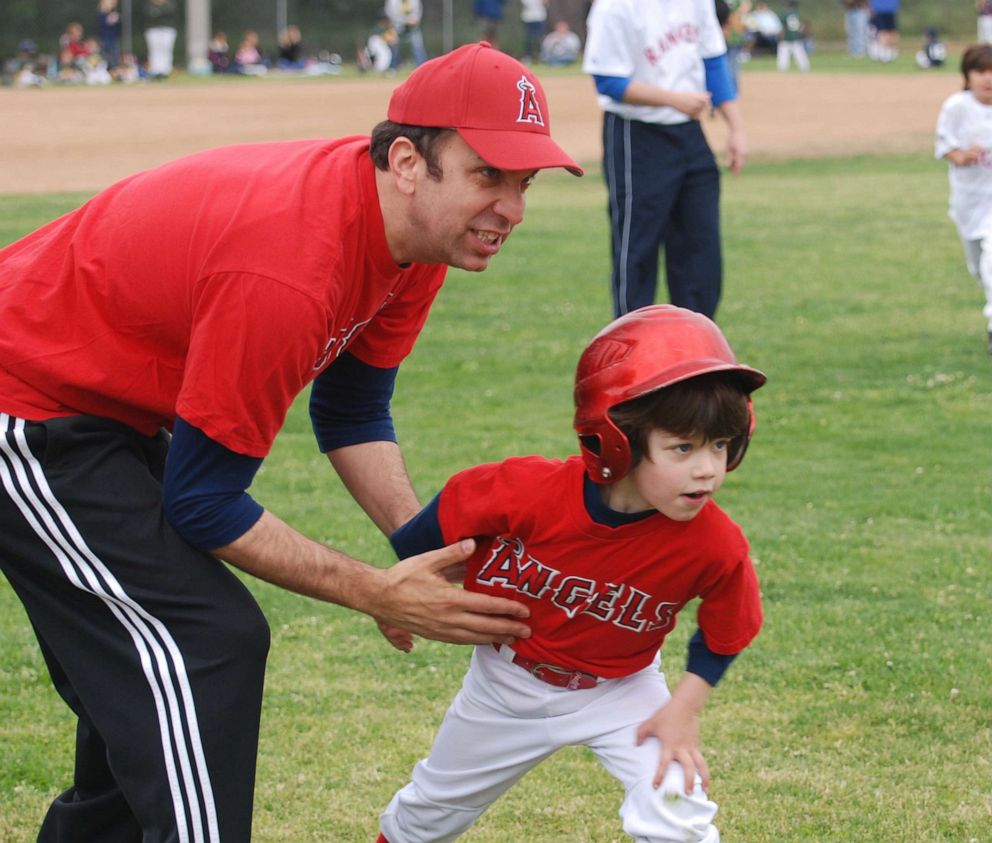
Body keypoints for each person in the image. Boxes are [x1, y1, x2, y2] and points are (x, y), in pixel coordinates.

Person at [0, 42, 581, 843]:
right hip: (24, 406)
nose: (512, 207)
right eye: (489, 176)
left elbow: (351, 409)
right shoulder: (289, 268)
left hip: (105, 410)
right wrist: (374, 589)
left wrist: (430, 549)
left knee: (145, 668)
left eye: (526, 183)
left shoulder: (413, 242)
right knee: (203, 644)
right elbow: (203, 501)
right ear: (409, 161)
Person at [374, 305, 766, 843]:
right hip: (505, 684)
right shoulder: (528, 490)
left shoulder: (714, 544)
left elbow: (727, 631)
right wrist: (397, 593)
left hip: (621, 690)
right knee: (429, 812)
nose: (708, 468)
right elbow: (442, 519)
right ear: (617, 442)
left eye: (720, 445)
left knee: (678, 803)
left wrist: (682, 710)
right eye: (683, 447)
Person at [583, 0, 747, 320]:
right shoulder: (614, 7)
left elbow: (713, 60)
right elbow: (608, 81)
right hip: (637, 135)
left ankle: (696, 351)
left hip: (689, 134)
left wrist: (736, 128)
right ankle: (634, 353)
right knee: (638, 251)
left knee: (701, 252)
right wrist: (673, 100)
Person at [935, 43, 992, 354]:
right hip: (969, 200)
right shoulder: (957, 106)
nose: (988, 79)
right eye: (981, 71)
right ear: (967, 75)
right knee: (978, 267)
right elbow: (946, 147)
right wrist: (962, 156)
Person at [384, 0, 428, 69]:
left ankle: (423, 68)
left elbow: (418, 12)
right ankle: (392, 68)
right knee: (394, 48)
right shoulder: (392, 1)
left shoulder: (415, 1)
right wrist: (405, 20)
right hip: (396, 27)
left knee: (417, 47)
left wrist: (414, 19)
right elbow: (390, 14)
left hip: (412, 28)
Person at [144, 0, 178, 78]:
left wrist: (157, 12)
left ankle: (166, 70)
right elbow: (148, 14)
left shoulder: (170, 4)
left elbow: (169, 12)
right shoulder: (149, 5)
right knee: (154, 50)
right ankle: (155, 71)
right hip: (153, 29)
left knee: (166, 50)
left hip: (167, 29)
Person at [776, 0, 810, 72]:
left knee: (783, 55)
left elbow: (783, 27)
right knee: (800, 54)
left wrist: (781, 37)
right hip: (796, 37)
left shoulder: (784, 14)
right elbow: (802, 26)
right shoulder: (797, 14)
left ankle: (782, 69)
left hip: (787, 37)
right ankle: (805, 68)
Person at [97, 0, 121, 69]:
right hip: (105, 39)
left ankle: (114, 69)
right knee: (106, 57)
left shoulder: (110, 13)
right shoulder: (102, 14)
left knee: (114, 57)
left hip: (112, 39)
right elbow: (107, 22)